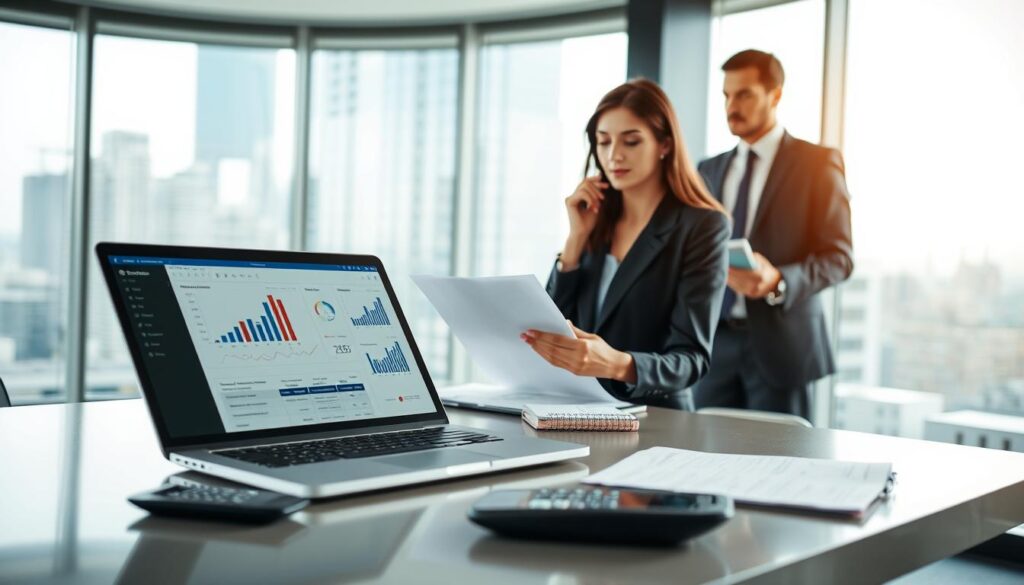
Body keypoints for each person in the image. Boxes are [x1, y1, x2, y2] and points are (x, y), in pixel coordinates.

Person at [522, 79, 730, 411]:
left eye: (631, 142)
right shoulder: (596, 218)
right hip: (581, 410)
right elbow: (556, 326)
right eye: (603, 143)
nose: (614, 155)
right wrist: (575, 240)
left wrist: (619, 364)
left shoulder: (702, 226)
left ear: (664, 144)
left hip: (658, 418)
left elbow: (691, 358)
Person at [693, 49, 853, 419]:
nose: (732, 105)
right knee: (703, 464)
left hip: (783, 347)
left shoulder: (817, 163)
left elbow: (839, 258)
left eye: (744, 94)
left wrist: (778, 280)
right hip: (715, 346)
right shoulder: (709, 169)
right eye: (727, 96)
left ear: (775, 95)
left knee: (782, 465)